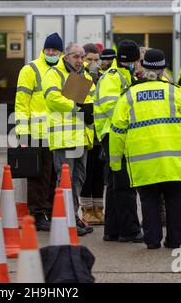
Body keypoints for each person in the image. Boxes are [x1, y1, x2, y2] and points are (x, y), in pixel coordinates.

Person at [109, 49, 181, 249]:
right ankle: (174, 241)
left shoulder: (129, 95)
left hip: (143, 161)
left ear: (143, 67)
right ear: (163, 69)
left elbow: (117, 131)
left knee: (148, 200)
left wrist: (115, 162)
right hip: (174, 161)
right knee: (174, 200)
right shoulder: (174, 91)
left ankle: (152, 240)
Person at [42, 43, 95, 236]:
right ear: (66, 56)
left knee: (78, 179)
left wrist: (90, 111)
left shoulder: (86, 76)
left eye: (82, 57)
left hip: (81, 137)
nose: (80, 60)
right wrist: (79, 108)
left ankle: (72, 217)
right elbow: (53, 99)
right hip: (64, 138)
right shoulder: (54, 74)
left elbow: (92, 100)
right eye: (76, 56)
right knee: (64, 180)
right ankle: (64, 221)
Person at [94, 39, 143, 243]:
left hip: (112, 134)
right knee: (124, 185)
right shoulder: (114, 78)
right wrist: (133, 120)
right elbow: (112, 108)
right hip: (115, 135)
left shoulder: (122, 76)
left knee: (115, 185)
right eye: (137, 60)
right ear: (131, 60)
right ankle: (130, 230)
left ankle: (112, 230)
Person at [14, 33, 62, 231]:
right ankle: (37, 213)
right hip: (36, 132)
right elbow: (21, 103)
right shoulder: (30, 69)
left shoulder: (62, 70)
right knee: (37, 177)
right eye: (48, 49)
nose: (51, 53)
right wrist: (22, 131)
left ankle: (49, 211)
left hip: (57, 133)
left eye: (55, 50)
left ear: (60, 52)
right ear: (44, 49)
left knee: (53, 176)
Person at [79, 43, 106, 225]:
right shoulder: (79, 78)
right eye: (89, 60)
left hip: (101, 134)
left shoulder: (105, 78)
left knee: (99, 175)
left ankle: (98, 209)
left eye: (97, 60)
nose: (94, 63)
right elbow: (77, 105)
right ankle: (87, 210)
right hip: (85, 134)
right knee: (86, 174)